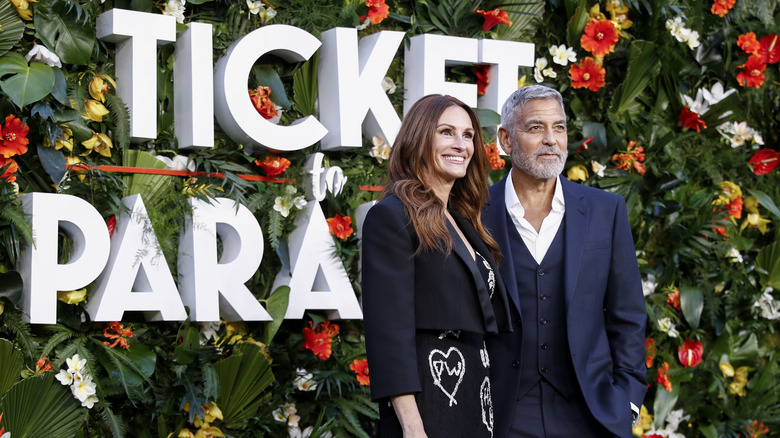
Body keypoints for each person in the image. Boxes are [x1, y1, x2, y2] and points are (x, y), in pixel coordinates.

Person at [483, 85, 647, 438]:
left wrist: (628, 401)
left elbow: (628, 313)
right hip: (504, 415)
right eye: (535, 128)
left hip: (591, 412)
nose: (551, 140)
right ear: (506, 140)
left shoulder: (606, 211)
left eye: (559, 127)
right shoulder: (473, 214)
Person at [362, 94, 513, 438]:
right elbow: (388, 331)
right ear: (419, 139)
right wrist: (413, 427)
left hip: (477, 395)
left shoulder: (464, 221)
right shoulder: (392, 216)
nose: (461, 144)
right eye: (446, 132)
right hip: (428, 400)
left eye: (468, 135)